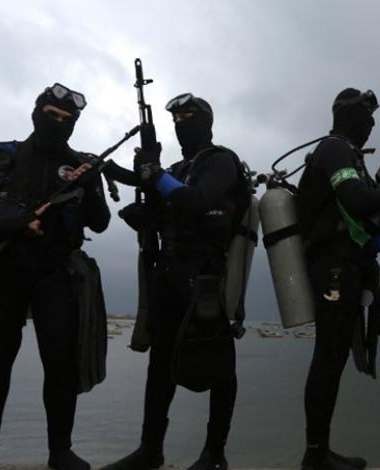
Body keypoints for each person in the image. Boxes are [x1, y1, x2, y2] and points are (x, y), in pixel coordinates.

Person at [0, 83, 110, 470]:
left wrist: (90, 185)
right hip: (3, 273)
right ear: (37, 113)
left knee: (61, 364)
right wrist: (15, 223)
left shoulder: (82, 165)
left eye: (67, 119)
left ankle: (60, 452)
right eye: (51, 115)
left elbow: (100, 223)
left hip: (56, 274)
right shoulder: (1, 157)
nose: (58, 123)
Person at [102, 93, 248, 470]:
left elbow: (196, 201)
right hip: (167, 270)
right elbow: (162, 199)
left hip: (206, 274)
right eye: (176, 119)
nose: (181, 123)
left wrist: (155, 174)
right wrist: (127, 178)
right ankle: (150, 450)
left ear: (207, 122)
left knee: (219, 362)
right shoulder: (179, 167)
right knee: (160, 363)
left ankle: (214, 453)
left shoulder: (221, 160)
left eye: (188, 116)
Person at [295, 88, 380, 470]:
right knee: (328, 356)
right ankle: (315, 454)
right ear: (347, 115)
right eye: (366, 114)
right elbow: (356, 200)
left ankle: (319, 450)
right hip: (333, 266)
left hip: (346, 265)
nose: (372, 123)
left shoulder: (349, 155)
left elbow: (361, 210)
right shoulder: (334, 148)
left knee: (334, 357)